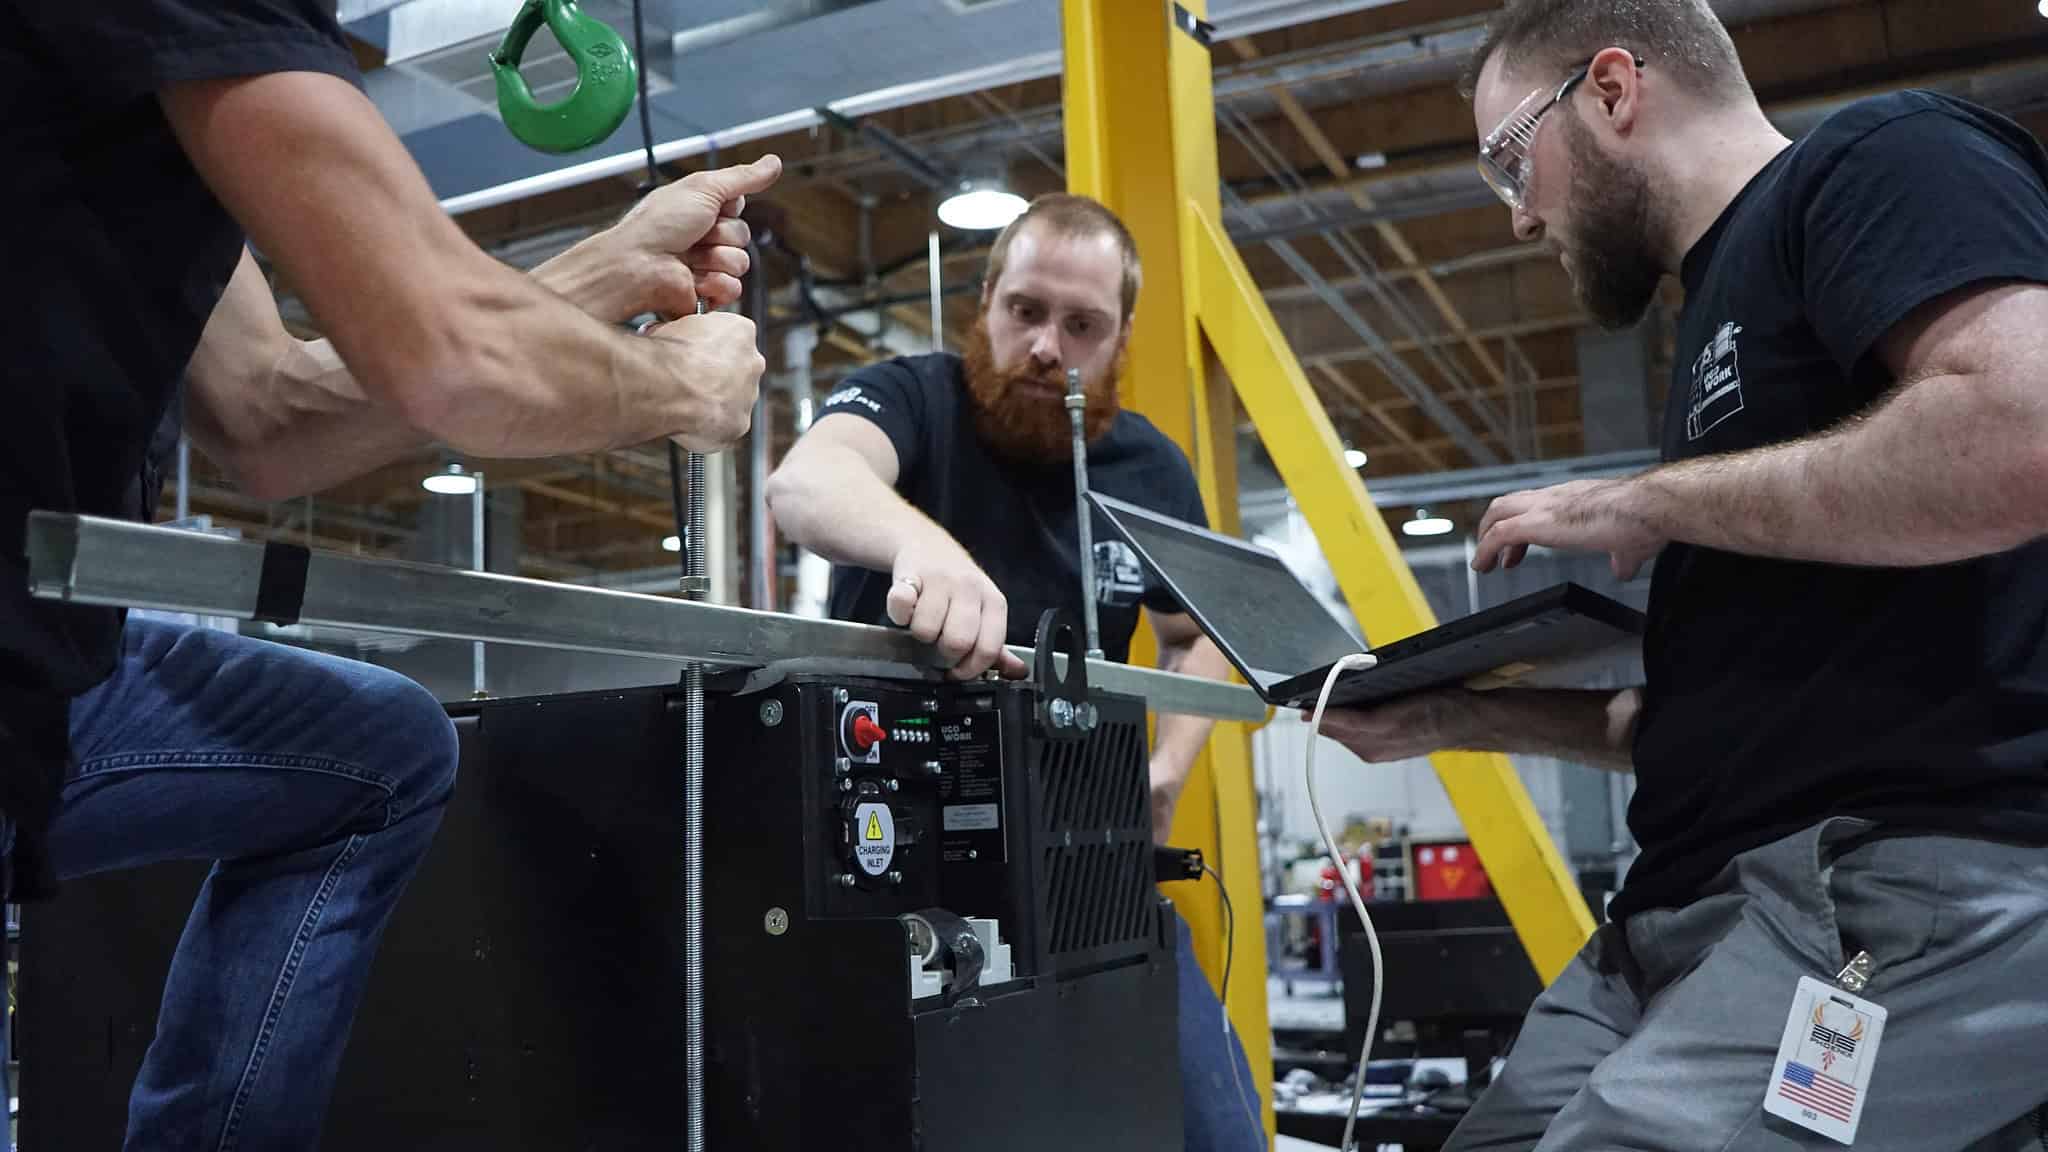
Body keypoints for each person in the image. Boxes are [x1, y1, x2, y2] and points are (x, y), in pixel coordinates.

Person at [5, 1, 780, 1146]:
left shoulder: (150, 81)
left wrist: (611, 272)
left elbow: (269, 409)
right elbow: (449, 353)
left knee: (376, 755)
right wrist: (683, 393)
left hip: (39, 672)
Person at [1318, 1, 2048, 1148]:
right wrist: (1459, 714)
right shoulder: (1714, 329)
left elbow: (2025, 431)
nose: (1517, 216)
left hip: (1888, 891)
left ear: (1610, 89)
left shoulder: (1875, 159)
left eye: (1510, 158)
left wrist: (1640, 499)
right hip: (1678, 922)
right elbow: (1738, 718)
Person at [766, 193, 1263, 1150]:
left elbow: (1201, 632)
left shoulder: (1149, 470)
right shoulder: (911, 399)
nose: (1046, 346)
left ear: (1118, 341)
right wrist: (928, 553)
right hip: (891, 873)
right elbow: (806, 483)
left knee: (1218, 1132)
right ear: (985, 302)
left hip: (1089, 871)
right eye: (1026, 311)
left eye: (1083, 325)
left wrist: (1168, 769)